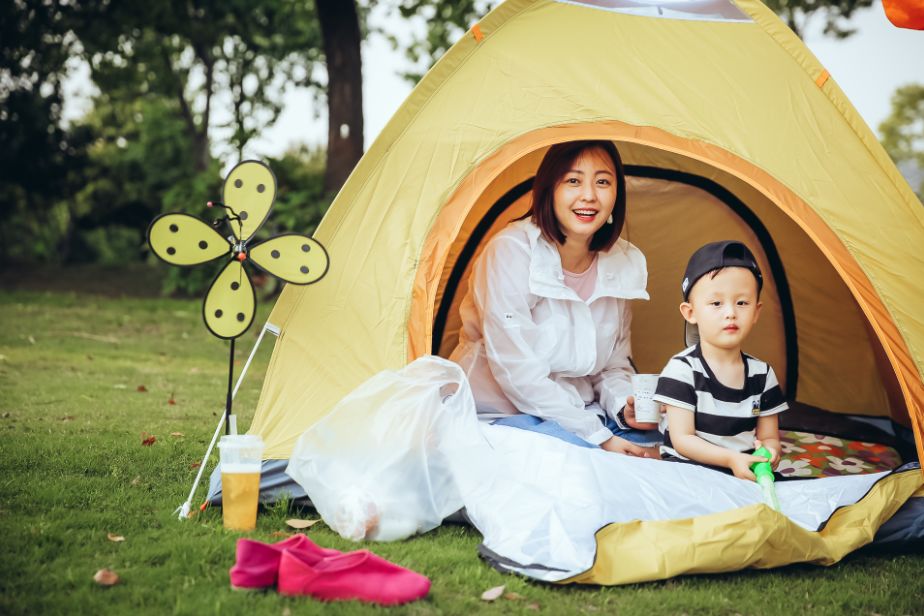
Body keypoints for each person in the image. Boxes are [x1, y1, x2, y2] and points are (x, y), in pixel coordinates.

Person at [449, 140, 660, 457]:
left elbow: (612, 368)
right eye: (573, 181)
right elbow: (516, 372)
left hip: (583, 413)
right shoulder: (512, 252)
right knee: (586, 462)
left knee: (661, 450)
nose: (589, 195)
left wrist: (622, 406)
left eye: (603, 182)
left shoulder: (619, 265)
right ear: (549, 189)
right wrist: (599, 437)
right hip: (503, 413)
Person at [652, 240, 788, 480]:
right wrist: (729, 459)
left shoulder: (762, 374)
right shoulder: (682, 370)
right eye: (716, 303)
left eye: (742, 303)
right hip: (687, 472)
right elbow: (682, 439)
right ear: (690, 312)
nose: (730, 313)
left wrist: (770, 452)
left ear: (756, 312)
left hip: (742, 472)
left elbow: (768, 437)